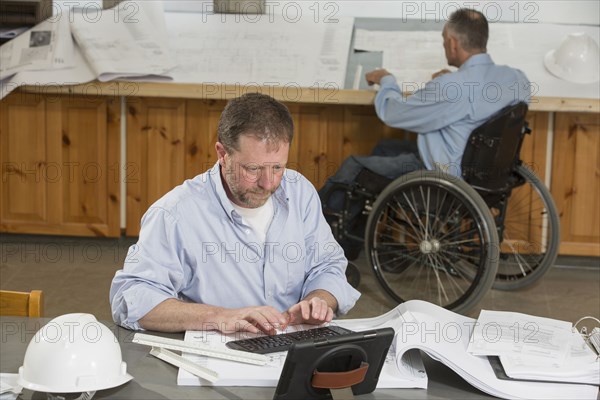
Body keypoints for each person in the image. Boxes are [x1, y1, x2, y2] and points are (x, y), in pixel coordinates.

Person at [110, 93, 360, 334]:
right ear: (222, 154)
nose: (269, 183)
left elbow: (327, 265)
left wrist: (319, 300)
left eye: (278, 167)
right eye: (253, 169)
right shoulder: (175, 214)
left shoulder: (299, 192)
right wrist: (220, 317)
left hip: (292, 347)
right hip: (220, 355)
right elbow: (130, 297)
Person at [319, 8, 531, 258]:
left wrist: (387, 80)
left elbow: (392, 112)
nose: (444, 46)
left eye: (444, 41)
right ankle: (354, 244)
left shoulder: (451, 88)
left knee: (353, 166)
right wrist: (452, 82)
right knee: (385, 148)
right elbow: (472, 105)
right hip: (489, 178)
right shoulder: (517, 79)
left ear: (452, 43)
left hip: (444, 180)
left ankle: (316, 244)